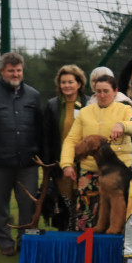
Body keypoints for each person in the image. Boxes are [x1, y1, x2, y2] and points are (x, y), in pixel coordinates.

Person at [0, 52, 46, 256]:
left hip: (28, 162)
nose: (15, 73)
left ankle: (26, 241)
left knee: (28, 204)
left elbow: (39, 128)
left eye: (18, 70)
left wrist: (41, 156)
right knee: (0, 204)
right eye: (11, 70)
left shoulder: (33, 95)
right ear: (2, 71)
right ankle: (4, 242)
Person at [60, 74, 132, 229]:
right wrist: (66, 164)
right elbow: (71, 140)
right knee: (85, 217)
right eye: (98, 91)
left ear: (115, 91)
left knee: (120, 216)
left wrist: (122, 126)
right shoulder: (85, 112)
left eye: (106, 91)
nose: (102, 95)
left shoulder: (126, 109)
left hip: (119, 171)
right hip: (89, 172)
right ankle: (87, 251)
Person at [44, 64, 86, 202]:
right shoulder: (52, 105)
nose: (66, 85)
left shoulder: (89, 104)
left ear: (79, 84)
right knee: (64, 203)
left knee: (83, 202)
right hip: (61, 163)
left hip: (84, 163)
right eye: (63, 82)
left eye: (70, 82)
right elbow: (47, 136)